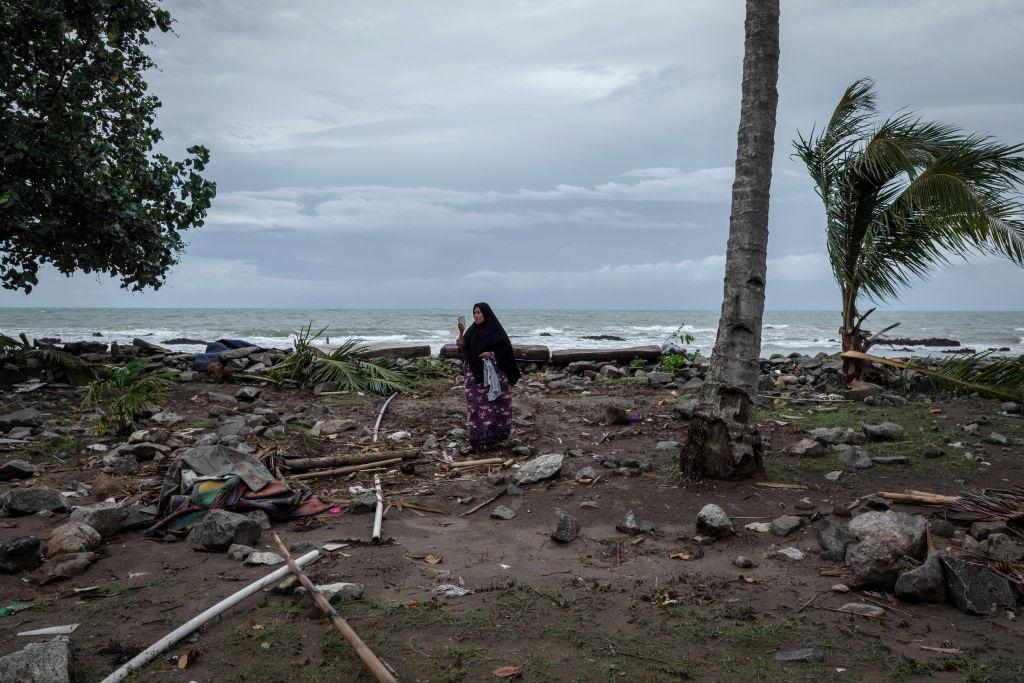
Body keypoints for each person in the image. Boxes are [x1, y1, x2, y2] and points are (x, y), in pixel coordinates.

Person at [457, 302, 520, 453]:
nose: (476, 316)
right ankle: (476, 440)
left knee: (496, 405)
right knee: (475, 407)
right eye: (474, 313)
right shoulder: (471, 331)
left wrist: (492, 354)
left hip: (494, 377)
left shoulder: (496, 331)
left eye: (479, 313)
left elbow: (505, 350)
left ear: (486, 313)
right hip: (474, 377)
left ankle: (495, 438)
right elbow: (461, 348)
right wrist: (461, 332)